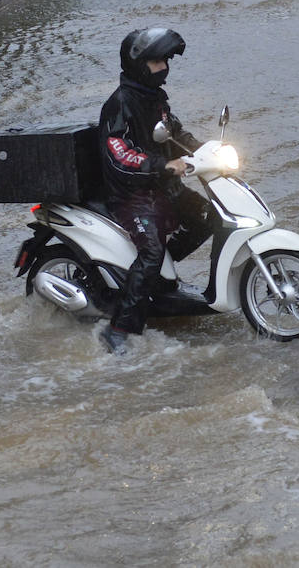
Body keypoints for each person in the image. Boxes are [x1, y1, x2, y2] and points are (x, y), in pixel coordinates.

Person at [97, 27, 211, 354]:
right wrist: (162, 166)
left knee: (208, 217)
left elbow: (174, 132)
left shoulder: (154, 98)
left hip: (162, 189)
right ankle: (118, 330)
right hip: (132, 197)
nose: (163, 68)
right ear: (138, 64)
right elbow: (120, 153)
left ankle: (157, 278)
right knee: (151, 252)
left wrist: (206, 150)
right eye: (156, 61)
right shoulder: (120, 104)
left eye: (165, 60)